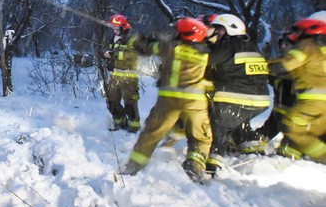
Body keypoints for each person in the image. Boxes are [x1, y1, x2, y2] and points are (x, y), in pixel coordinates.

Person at [123, 17, 213, 182]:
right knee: (201, 136)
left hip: (169, 100)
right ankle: (195, 165)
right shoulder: (206, 53)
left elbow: (145, 47)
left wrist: (132, 39)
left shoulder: (171, 47)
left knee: (152, 133)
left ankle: (134, 166)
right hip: (195, 102)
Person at [202, 14, 270, 173]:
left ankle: (212, 166)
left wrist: (203, 44)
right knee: (237, 121)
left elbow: (206, 61)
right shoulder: (251, 46)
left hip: (235, 98)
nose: (216, 33)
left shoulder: (228, 45)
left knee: (218, 130)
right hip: (261, 101)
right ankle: (251, 148)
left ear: (229, 30)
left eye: (219, 30)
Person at [273, 16, 326, 163]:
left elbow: (286, 64)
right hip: (319, 106)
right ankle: (288, 157)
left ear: (308, 32)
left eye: (297, 32)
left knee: (292, 126)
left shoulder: (307, 46)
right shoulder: (321, 53)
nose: (293, 36)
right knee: (310, 132)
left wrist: (260, 65)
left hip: (314, 102)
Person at [102, 14, 141, 132]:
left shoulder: (132, 38)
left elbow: (132, 55)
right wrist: (105, 53)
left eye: (116, 28)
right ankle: (119, 122)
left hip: (129, 77)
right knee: (111, 101)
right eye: (113, 28)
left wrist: (114, 54)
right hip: (115, 76)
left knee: (130, 103)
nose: (114, 30)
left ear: (123, 27)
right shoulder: (112, 38)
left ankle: (134, 127)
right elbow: (107, 49)